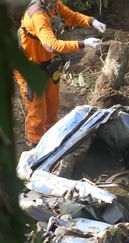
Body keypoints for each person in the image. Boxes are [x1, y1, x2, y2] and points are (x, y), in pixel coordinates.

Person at [15, 0, 106, 146]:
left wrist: (92, 21)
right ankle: (35, 143)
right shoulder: (38, 15)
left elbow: (72, 16)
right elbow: (53, 45)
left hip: (48, 63)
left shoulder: (53, 5)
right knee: (38, 111)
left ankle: (52, 136)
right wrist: (84, 43)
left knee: (52, 105)